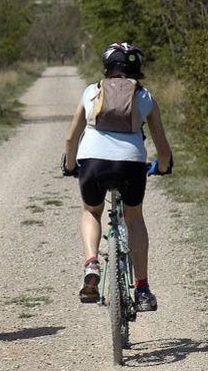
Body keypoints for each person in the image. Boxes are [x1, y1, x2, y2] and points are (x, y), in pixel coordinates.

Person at [63, 42, 173, 311]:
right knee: (134, 218)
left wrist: (69, 165)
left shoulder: (92, 91)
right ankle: (143, 289)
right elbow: (161, 144)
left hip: (93, 163)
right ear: (136, 70)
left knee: (91, 211)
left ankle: (91, 262)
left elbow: (71, 137)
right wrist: (163, 165)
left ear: (107, 68)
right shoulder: (145, 97)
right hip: (132, 165)